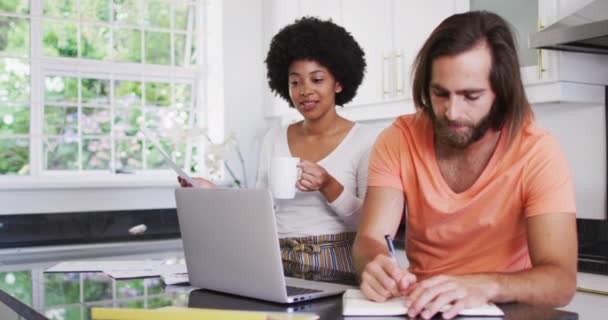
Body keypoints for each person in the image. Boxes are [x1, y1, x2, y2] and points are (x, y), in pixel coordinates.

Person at [352, 11, 577, 319]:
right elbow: (370, 238)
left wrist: (486, 286)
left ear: (502, 92)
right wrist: (375, 264)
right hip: (423, 309)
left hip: (503, 311)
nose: (452, 112)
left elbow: (561, 282)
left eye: (471, 96)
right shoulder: (398, 139)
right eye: (439, 94)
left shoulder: (538, 151)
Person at [181, 17, 377, 273]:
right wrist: (211, 192)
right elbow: (261, 211)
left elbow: (370, 222)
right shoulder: (274, 137)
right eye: (295, 82)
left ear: (338, 83)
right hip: (278, 262)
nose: (304, 90)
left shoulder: (366, 140)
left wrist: (328, 185)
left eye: (316, 80)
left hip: (339, 265)